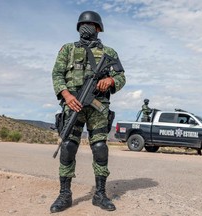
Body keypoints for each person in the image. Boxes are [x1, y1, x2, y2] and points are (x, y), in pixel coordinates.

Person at [50, 11, 126, 213]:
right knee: (67, 146)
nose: (87, 27)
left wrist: (110, 81)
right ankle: (65, 194)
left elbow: (121, 77)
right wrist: (66, 96)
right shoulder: (67, 49)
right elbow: (57, 74)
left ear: (99, 28)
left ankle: (100, 194)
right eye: (84, 24)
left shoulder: (109, 52)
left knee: (100, 146)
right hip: (73, 104)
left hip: (98, 106)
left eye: (91, 24)